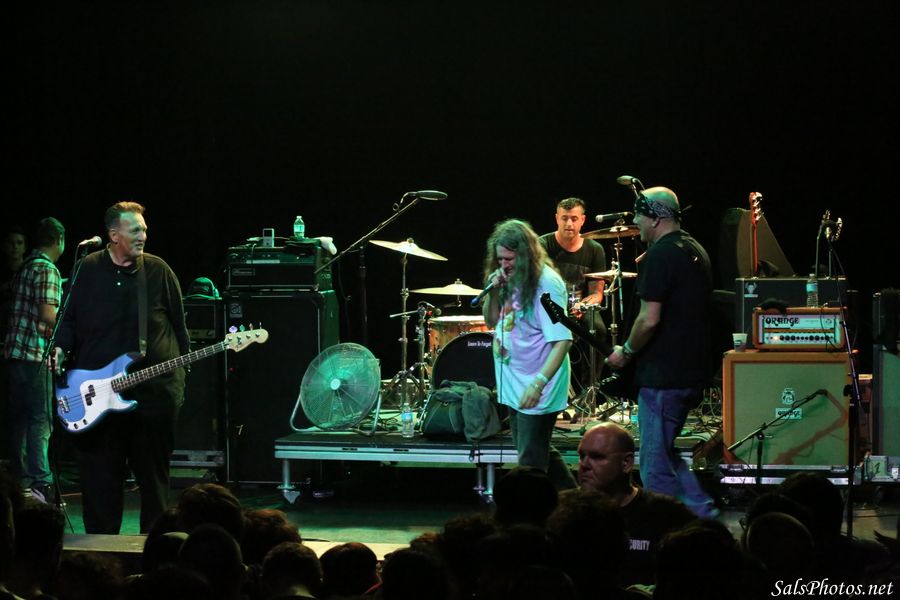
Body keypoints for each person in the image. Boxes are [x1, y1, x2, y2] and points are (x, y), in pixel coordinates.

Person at [53, 202, 190, 534]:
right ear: (114, 236)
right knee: (100, 483)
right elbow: (67, 319)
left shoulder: (158, 271)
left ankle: (156, 551)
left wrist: (179, 380)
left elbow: (180, 328)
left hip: (153, 396)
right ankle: (101, 553)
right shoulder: (87, 269)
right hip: (96, 398)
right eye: (135, 230)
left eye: (144, 229)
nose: (143, 235)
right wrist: (59, 347)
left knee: (154, 484)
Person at [606, 186, 718, 519]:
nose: (635, 222)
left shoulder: (660, 255)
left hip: (664, 379)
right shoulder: (694, 249)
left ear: (655, 218)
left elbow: (649, 319)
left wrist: (626, 351)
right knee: (668, 455)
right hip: (689, 373)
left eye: (639, 215)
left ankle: (665, 531)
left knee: (654, 468)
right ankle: (704, 516)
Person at [480, 219, 576, 490]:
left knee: (530, 462)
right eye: (500, 259)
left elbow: (563, 340)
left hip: (537, 381)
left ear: (525, 255)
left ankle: (537, 512)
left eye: (509, 259)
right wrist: (494, 292)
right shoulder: (506, 278)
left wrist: (538, 384)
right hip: (515, 379)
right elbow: (490, 320)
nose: (503, 265)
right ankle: (576, 500)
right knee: (535, 450)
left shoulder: (547, 284)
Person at [575, 422, 696, 587]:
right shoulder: (565, 512)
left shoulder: (666, 514)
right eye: (581, 456)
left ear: (626, 463)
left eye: (597, 457)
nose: (584, 465)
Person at [3, 218, 65, 504]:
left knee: (18, 420)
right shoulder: (46, 269)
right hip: (34, 355)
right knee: (40, 420)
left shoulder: (25, 267)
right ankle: (42, 482)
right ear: (59, 240)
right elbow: (47, 317)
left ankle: (21, 481)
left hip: (14, 354)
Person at [539, 198, 608, 390]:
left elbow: (597, 293)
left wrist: (582, 306)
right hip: (549, 305)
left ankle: (589, 390)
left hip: (580, 306)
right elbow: (537, 285)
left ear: (582, 220)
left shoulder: (594, 249)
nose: (569, 223)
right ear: (557, 218)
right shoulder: (542, 245)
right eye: (564, 218)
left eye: (574, 218)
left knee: (598, 329)